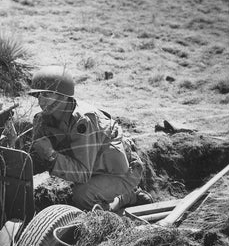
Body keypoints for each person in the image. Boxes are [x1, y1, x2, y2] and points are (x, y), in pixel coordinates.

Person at [29, 66, 152, 211]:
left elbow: (82, 173)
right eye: (39, 95)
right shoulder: (43, 120)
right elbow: (33, 159)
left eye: (47, 95)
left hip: (121, 173)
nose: (41, 101)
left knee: (83, 195)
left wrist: (51, 155)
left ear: (63, 96)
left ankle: (126, 197)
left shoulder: (84, 121)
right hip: (95, 167)